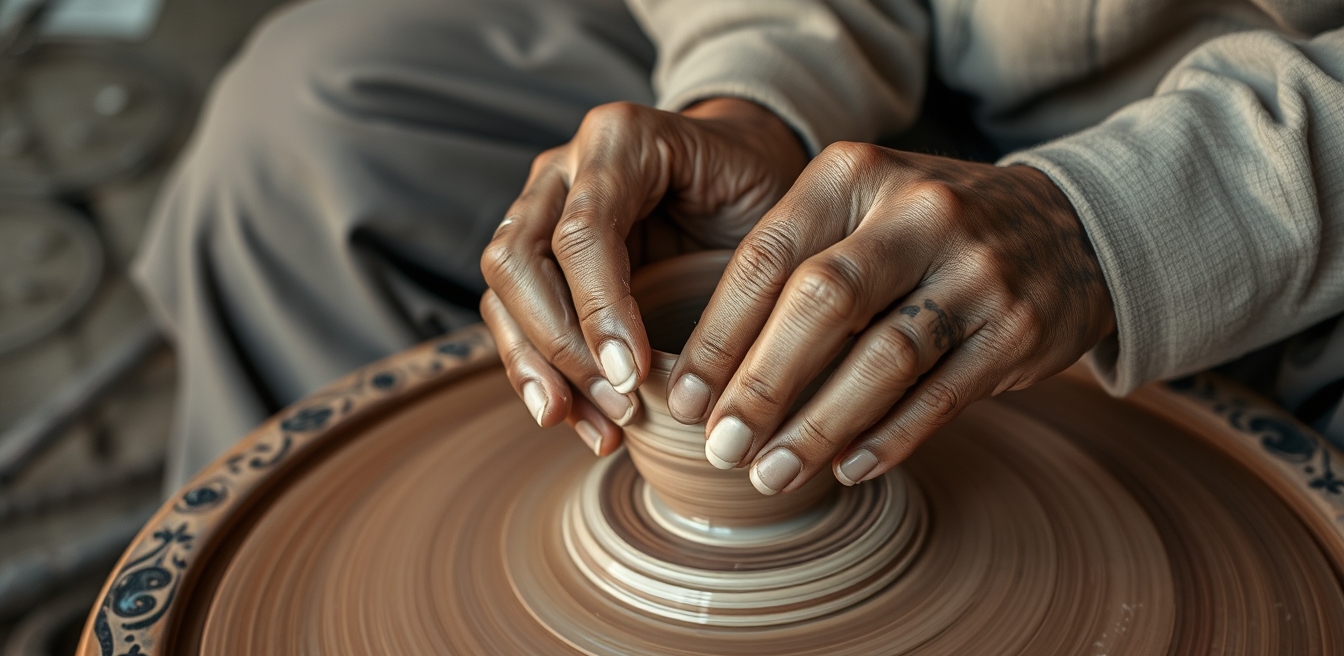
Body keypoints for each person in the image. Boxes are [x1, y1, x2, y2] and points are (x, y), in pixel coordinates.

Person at [134, 0, 1344, 495]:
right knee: (304, 137)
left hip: (1269, 174)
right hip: (903, 67)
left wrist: (1106, 226)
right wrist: (749, 97)